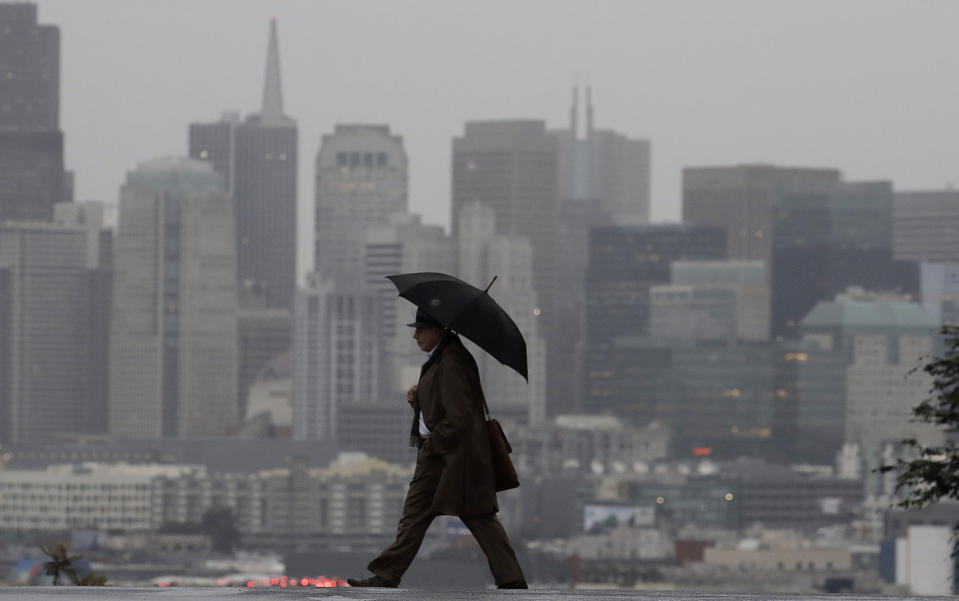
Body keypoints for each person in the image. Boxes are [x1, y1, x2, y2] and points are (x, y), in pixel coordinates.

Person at [347, 307, 527, 589]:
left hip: (452, 457)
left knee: (476, 516)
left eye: (421, 329)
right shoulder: (443, 358)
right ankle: (387, 575)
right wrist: (419, 398)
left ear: (440, 329)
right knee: (418, 516)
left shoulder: (452, 360)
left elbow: (459, 415)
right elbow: (448, 405)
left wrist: (433, 447)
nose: (415, 335)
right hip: (445, 456)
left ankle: (512, 580)